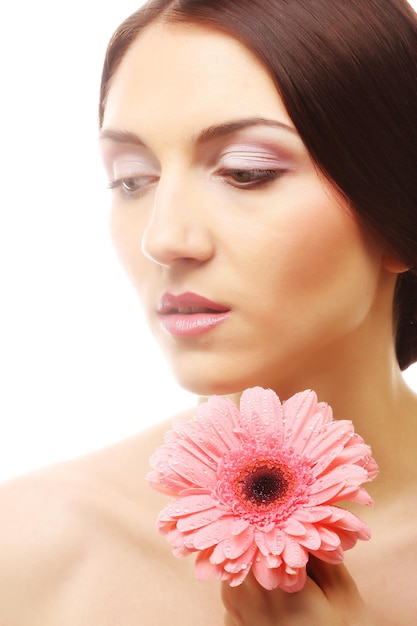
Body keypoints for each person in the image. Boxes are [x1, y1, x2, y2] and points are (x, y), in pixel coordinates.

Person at [1, 0, 417, 623]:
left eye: (247, 172)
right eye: (133, 179)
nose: (164, 238)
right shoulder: (30, 545)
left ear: (398, 209)